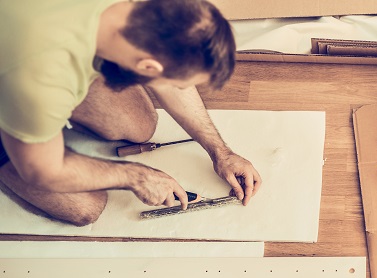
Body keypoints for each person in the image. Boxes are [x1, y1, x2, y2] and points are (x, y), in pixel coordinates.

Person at [0, 0, 261, 226]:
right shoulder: (37, 74)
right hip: (22, 76)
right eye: (180, 82)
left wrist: (221, 151)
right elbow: (42, 171)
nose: (180, 87)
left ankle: (40, 123)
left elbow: (167, 71)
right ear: (148, 65)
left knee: (140, 126)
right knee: (85, 209)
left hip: (40, 62)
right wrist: (136, 177)